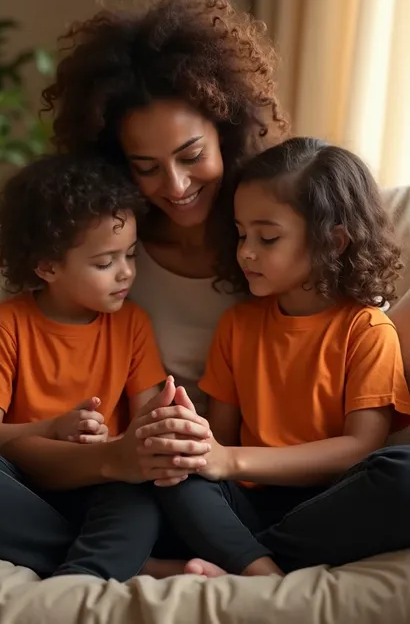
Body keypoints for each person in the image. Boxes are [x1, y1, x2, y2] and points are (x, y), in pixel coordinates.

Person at [142, 138, 410, 577]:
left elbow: (360, 448)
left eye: (267, 238)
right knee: (174, 465)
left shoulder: (367, 330)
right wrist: (195, 442)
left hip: (329, 506)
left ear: (334, 241)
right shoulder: (238, 325)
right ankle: (258, 566)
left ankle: (241, 560)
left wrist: (228, 459)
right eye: (242, 234)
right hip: (242, 503)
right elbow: (219, 442)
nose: (246, 251)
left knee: (403, 476)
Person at [0, 152, 196, 580]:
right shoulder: (5, 324)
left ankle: (82, 576)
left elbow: (142, 431)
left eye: (130, 255)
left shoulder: (131, 324)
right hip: (19, 484)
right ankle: (119, 565)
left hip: (100, 480)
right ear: (47, 266)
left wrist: (141, 438)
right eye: (104, 263)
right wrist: (51, 428)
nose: (126, 273)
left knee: (139, 494)